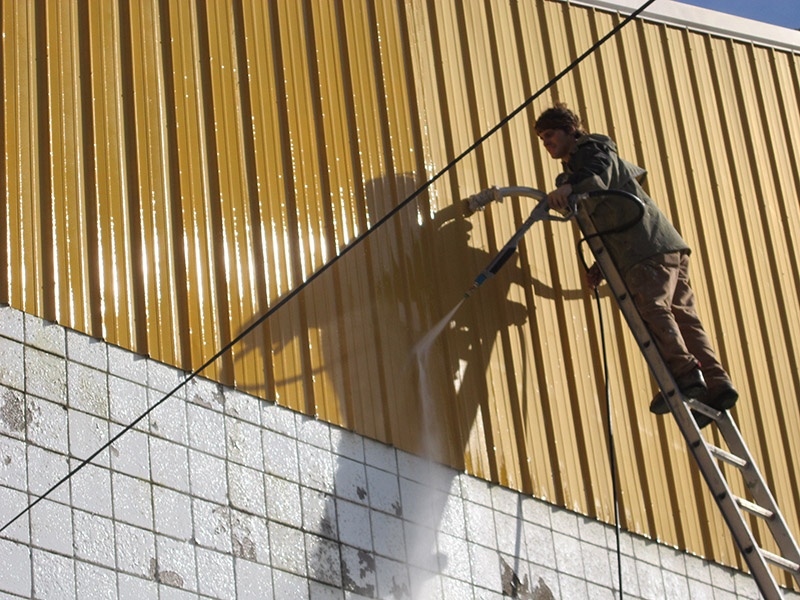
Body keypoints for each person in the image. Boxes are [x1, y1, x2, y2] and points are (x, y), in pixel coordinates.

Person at [535, 103, 737, 427]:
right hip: (663, 245)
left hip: (643, 250)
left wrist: (569, 187)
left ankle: (687, 376)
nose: (547, 143)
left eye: (550, 135)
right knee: (683, 316)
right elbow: (609, 214)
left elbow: (599, 173)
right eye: (542, 139)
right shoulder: (585, 166)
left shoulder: (592, 151)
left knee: (653, 308)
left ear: (571, 130)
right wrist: (599, 268)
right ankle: (716, 383)